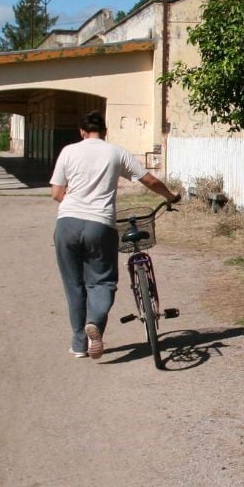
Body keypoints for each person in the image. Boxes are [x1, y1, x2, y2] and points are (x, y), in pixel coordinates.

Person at [49, 111, 180, 360]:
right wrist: (170, 196)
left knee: (74, 285)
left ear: (81, 131)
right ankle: (95, 323)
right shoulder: (116, 152)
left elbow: (56, 193)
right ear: (105, 131)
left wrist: (76, 207)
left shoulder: (68, 151)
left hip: (67, 223)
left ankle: (79, 345)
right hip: (100, 224)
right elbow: (150, 180)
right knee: (102, 282)